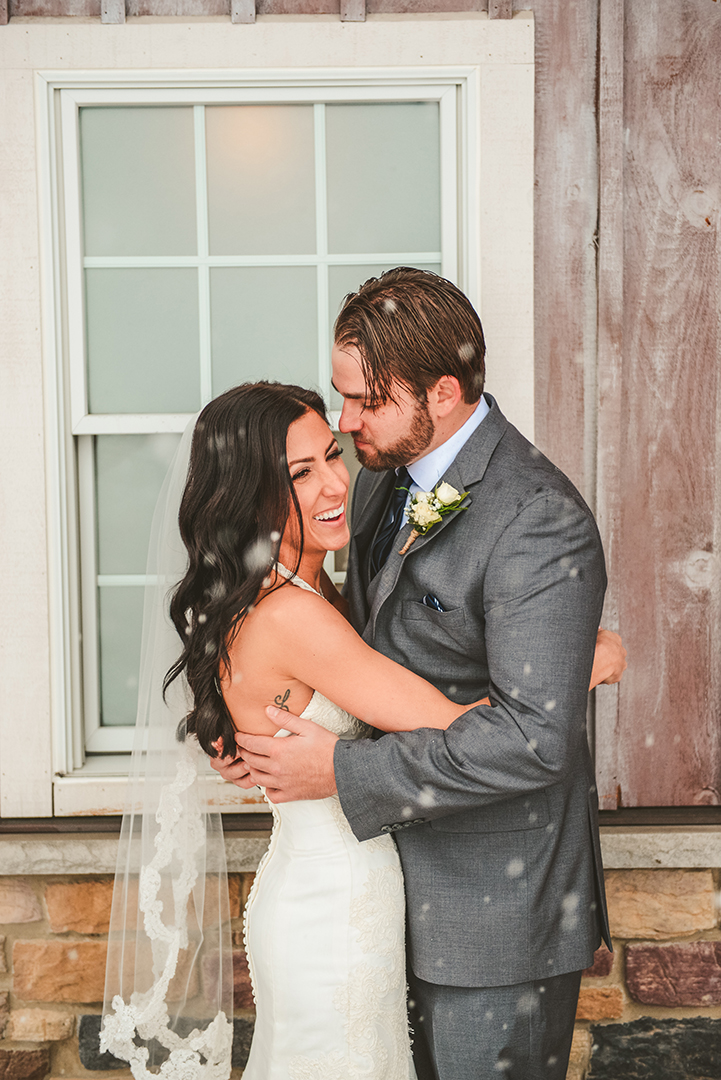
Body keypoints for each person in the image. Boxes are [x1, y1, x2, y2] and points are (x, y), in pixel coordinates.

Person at [212, 268, 624, 1080]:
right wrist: (254, 724)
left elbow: (536, 744)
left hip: (490, 919)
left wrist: (337, 765)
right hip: (380, 901)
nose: (346, 422)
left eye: (367, 401)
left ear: (440, 392)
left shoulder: (534, 519)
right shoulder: (372, 484)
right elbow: (348, 648)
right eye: (342, 398)